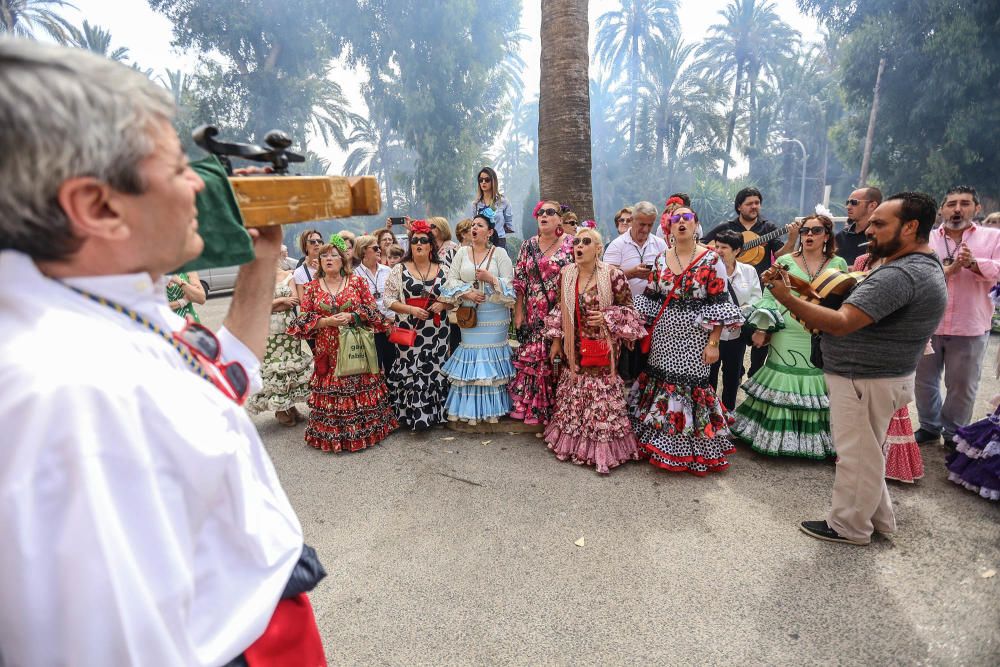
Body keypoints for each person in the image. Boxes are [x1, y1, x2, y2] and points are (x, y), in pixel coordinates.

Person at [0, 40, 324, 664]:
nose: (205, 191)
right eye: (180, 169)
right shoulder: (71, 393)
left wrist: (260, 263)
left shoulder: (108, 299)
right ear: (99, 207)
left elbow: (221, 380)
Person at [762, 192, 947, 545]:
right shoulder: (918, 265)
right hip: (874, 377)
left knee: (856, 457)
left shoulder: (901, 274)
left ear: (910, 227)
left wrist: (785, 298)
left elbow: (842, 321)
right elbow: (848, 301)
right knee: (866, 453)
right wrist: (798, 287)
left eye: (879, 224)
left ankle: (849, 527)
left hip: (866, 378)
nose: (869, 229)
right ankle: (879, 520)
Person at [629, 207, 744, 475]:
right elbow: (651, 299)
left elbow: (719, 304)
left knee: (690, 387)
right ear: (668, 227)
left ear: (696, 225)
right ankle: (660, 445)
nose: (681, 223)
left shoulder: (711, 259)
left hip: (695, 340)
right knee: (661, 385)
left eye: (687, 218)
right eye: (675, 219)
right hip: (663, 337)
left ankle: (687, 450)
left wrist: (714, 342)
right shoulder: (659, 259)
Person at [732, 214, 847, 459]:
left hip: (818, 334)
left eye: (816, 231)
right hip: (786, 331)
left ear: (827, 235)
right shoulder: (784, 260)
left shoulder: (839, 264)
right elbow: (769, 296)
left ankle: (812, 443)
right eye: (805, 231)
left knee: (815, 378)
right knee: (782, 377)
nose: (809, 235)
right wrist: (762, 329)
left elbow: (842, 301)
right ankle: (773, 438)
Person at [543, 228, 646, 472]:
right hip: (574, 349)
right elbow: (560, 308)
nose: (579, 246)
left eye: (586, 242)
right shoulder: (566, 274)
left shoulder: (613, 275)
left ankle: (603, 450)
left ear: (598, 248)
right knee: (576, 395)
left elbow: (630, 311)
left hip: (603, 350)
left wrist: (607, 316)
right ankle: (575, 445)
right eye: (576, 242)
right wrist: (557, 342)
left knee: (601, 399)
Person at [288, 239, 397, 452]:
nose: (328, 259)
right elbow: (303, 320)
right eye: (324, 256)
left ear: (343, 259)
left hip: (356, 347)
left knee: (359, 381)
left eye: (333, 255)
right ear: (319, 261)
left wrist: (353, 316)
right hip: (327, 350)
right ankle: (335, 436)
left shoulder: (357, 282)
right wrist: (327, 321)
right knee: (333, 389)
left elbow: (373, 313)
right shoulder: (310, 288)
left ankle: (365, 433)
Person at [914, 186, 1000, 447]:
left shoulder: (993, 238)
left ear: (977, 208)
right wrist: (948, 269)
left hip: (970, 324)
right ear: (942, 209)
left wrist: (974, 264)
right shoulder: (926, 239)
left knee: (962, 385)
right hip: (928, 322)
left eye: (964, 203)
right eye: (951, 204)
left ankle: (953, 433)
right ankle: (929, 426)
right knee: (923, 380)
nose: (957, 209)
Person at [703, 187, 797, 377]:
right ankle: (733, 372)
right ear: (739, 206)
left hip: (757, 292)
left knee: (759, 337)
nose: (754, 207)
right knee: (730, 341)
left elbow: (780, 256)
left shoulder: (768, 228)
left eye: (757, 203)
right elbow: (704, 243)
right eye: (749, 203)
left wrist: (792, 238)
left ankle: (755, 375)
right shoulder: (727, 227)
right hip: (727, 290)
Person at [852, 251, 924, 483]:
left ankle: (891, 466)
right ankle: (860, 463)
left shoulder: (911, 265)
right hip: (864, 339)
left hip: (893, 346)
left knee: (892, 408)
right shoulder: (863, 261)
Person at [440, 213, 516, 424]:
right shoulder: (461, 252)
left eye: (480, 225)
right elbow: (449, 281)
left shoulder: (499, 253)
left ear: (490, 232)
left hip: (495, 316)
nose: (474, 228)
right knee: (471, 356)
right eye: (473, 225)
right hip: (469, 316)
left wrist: (490, 278)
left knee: (491, 359)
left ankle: (493, 411)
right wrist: (467, 293)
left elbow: (511, 285)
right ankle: (470, 411)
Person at [509, 200, 575, 424]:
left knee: (560, 358)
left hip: (563, 312)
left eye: (549, 212)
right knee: (535, 360)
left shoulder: (572, 244)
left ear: (560, 218)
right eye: (540, 212)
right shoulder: (528, 245)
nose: (543, 215)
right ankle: (535, 410)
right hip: (534, 313)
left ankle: (561, 409)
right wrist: (518, 313)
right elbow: (520, 281)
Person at [384, 220, 451, 430]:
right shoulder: (398, 269)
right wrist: (411, 310)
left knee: (435, 370)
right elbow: (388, 300)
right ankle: (412, 416)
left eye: (423, 240)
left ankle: (435, 415)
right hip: (410, 331)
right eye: (415, 241)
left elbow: (455, 296)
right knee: (411, 371)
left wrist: (443, 303)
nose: (419, 244)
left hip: (438, 332)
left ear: (431, 245)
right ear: (410, 246)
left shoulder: (444, 269)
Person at [246, 254, 313, 426]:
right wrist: (281, 299)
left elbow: (294, 301)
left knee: (289, 367)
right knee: (275, 368)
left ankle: (290, 406)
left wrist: (272, 304)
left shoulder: (288, 276)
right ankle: (280, 409)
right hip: (268, 331)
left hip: (289, 331)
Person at [604, 200, 668, 381]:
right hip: (625, 315)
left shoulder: (660, 245)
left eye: (650, 225)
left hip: (654, 314)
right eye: (642, 224)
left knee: (648, 361)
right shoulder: (617, 245)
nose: (646, 229)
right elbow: (606, 279)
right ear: (632, 220)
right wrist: (630, 274)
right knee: (627, 365)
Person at [708, 230, 762, 411]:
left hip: (737, 335)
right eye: (716, 246)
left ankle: (728, 413)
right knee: (709, 377)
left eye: (724, 247)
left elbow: (756, 300)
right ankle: (709, 414)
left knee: (732, 376)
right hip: (711, 336)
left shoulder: (748, 271)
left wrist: (739, 314)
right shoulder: (708, 270)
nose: (718, 250)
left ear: (737, 250)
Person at [353, 234, 395, 375]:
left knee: (393, 363)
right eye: (375, 247)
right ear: (364, 251)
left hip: (391, 325)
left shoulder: (387, 270)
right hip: (370, 328)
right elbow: (357, 304)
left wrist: (391, 319)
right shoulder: (354, 275)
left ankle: (393, 394)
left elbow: (395, 297)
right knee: (374, 367)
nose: (379, 250)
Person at [835, 187, 883, 266]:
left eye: (854, 202)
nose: (848, 207)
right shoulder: (841, 236)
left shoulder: (883, 237)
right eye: (848, 202)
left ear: (872, 205)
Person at [472, 166, 514, 250]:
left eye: (487, 180)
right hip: (481, 242)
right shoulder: (476, 204)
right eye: (481, 180)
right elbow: (473, 224)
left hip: (499, 242)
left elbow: (509, 225)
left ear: (493, 181)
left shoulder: (503, 202)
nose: (483, 182)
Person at [293, 228, 324, 301]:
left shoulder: (331, 266)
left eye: (319, 241)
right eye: (312, 242)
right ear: (305, 246)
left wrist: (321, 271)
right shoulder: (299, 272)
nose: (316, 244)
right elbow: (303, 302)